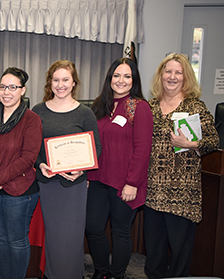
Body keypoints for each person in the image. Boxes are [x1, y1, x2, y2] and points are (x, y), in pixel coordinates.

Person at [144, 53, 219, 278]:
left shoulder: (195, 106)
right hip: (153, 191)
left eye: (178, 72)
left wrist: (190, 143)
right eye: (168, 71)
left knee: (180, 252)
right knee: (154, 252)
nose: (172, 77)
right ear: (161, 75)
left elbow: (214, 140)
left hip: (182, 194)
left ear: (186, 78)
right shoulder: (150, 106)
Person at [31, 60, 101, 279]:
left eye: (65, 80)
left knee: (71, 237)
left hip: (74, 186)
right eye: (56, 80)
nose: (60, 85)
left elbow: (95, 147)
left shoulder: (85, 113)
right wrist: (40, 164)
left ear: (73, 83)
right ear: (50, 82)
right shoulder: (38, 110)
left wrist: (81, 170)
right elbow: (32, 146)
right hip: (49, 184)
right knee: (53, 237)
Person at [86, 58, 153, 279]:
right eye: (116, 75)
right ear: (110, 78)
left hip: (125, 182)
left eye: (127, 76)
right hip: (97, 179)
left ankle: (117, 275)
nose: (121, 80)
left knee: (120, 231)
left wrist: (132, 183)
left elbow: (143, 150)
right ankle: (101, 271)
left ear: (134, 80)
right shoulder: (99, 105)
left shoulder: (139, 107)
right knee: (93, 227)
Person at [0, 67, 42, 279]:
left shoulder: (31, 119)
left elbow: (28, 158)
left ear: (22, 90)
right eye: (3, 86)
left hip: (20, 191)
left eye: (13, 87)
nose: (7, 92)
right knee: (1, 239)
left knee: (16, 241)